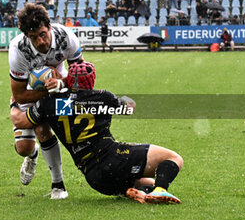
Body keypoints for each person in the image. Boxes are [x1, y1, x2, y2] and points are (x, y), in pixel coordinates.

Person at [10, 61, 184, 204]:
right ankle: (161, 191)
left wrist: (13, 102)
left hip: (94, 178)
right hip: (113, 158)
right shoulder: (103, 97)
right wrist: (122, 99)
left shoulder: (50, 103)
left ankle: (136, 190)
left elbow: (20, 121)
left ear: (69, 79)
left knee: (148, 183)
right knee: (173, 159)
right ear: (91, 80)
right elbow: (130, 108)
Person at [8, 3, 84, 199]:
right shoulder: (18, 49)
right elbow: (19, 94)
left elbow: (81, 76)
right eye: (33, 37)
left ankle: (58, 186)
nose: (40, 41)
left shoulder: (66, 37)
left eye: (43, 34)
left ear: (49, 26)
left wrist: (62, 83)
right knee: (23, 148)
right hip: (32, 90)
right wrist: (47, 93)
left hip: (61, 82)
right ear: (26, 36)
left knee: (60, 128)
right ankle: (32, 155)